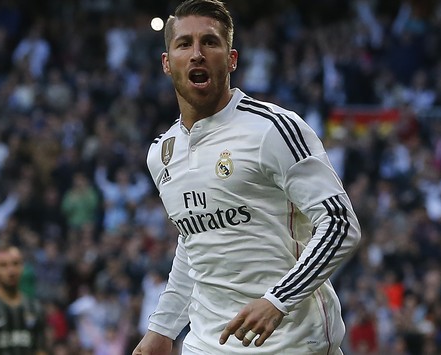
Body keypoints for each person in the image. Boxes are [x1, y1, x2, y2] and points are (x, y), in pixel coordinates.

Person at [132, 0, 362, 354]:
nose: (197, 54)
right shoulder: (161, 153)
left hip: (292, 343)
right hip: (206, 344)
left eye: (209, 42)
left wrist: (277, 300)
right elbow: (193, 241)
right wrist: (162, 328)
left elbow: (340, 223)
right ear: (167, 63)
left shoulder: (272, 130)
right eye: (184, 44)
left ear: (232, 58)